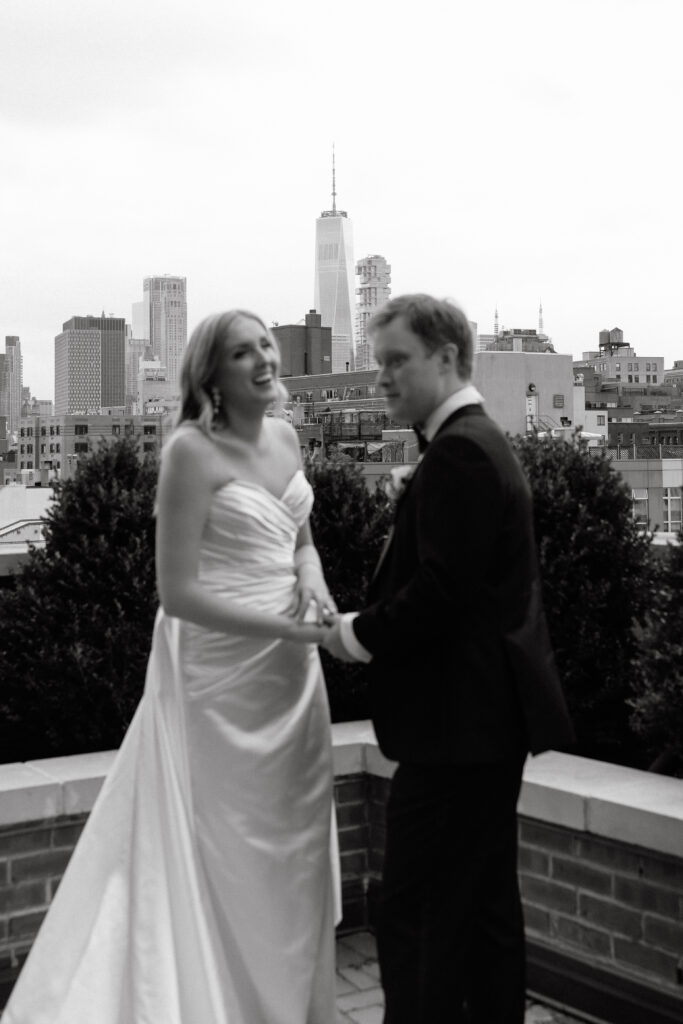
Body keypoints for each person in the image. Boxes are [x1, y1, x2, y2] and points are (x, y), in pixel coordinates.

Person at [3, 310, 340, 1024]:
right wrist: (291, 629)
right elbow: (178, 594)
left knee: (293, 849)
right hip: (217, 682)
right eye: (242, 353)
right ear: (211, 376)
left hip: (292, 682)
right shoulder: (190, 451)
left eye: (266, 346)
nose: (262, 360)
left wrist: (314, 585)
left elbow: (301, 541)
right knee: (222, 851)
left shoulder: (286, 436)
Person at [323, 294, 574, 1024]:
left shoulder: (460, 451)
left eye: (396, 362)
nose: (382, 381)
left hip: (454, 730)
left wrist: (353, 634)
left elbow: (440, 593)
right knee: (486, 908)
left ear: (446, 358)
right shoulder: (471, 442)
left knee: (417, 911)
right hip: (483, 725)